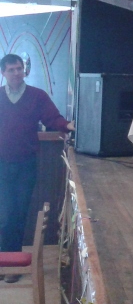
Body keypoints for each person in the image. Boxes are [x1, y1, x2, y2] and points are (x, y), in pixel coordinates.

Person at [0, 53, 74, 283]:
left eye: (19, 68)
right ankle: (6, 263)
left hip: (26, 165)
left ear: (24, 70)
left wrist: (69, 126)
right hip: (2, 164)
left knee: (19, 214)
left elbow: (53, 119)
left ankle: (12, 265)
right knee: (5, 215)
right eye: (11, 69)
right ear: (3, 73)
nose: (16, 73)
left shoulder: (37, 96)